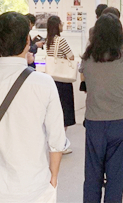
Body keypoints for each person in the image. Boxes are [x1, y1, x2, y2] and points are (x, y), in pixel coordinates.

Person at [0, 12, 68, 203]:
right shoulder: (44, 83)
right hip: (35, 186)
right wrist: (53, 178)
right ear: (27, 41)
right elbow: (56, 139)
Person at [80, 13, 123, 202]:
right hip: (120, 121)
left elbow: (85, 82)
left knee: (92, 175)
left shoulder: (87, 58)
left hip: (94, 121)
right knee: (116, 177)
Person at [46, 15, 76, 154]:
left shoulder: (49, 40)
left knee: (54, 112)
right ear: (57, 25)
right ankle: (61, 144)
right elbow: (71, 56)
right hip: (63, 80)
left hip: (52, 79)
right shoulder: (60, 40)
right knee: (65, 112)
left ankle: (53, 141)